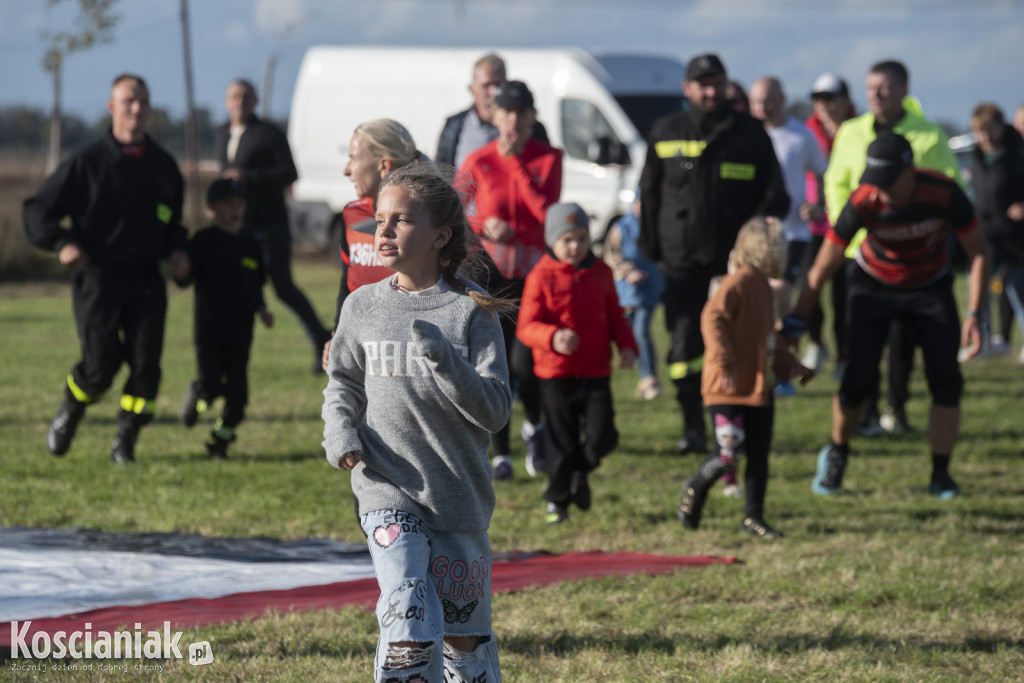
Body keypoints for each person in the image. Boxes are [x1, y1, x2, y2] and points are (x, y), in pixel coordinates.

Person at [322, 164, 513, 682]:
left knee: (463, 641)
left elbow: (495, 410)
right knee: (407, 615)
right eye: (380, 220)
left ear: (440, 236)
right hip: (386, 488)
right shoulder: (361, 306)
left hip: (457, 497)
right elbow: (342, 381)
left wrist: (448, 363)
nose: (382, 231)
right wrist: (339, 432)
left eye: (400, 221)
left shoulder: (471, 312)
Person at [786, 133, 988, 499]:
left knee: (946, 380)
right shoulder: (864, 200)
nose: (880, 192)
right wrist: (796, 323)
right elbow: (821, 269)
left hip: (930, 285)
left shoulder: (943, 192)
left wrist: (975, 312)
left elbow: (978, 253)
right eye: (874, 182)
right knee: (858, 378)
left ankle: (941, 473)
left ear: (910, 172)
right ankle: (837, 452)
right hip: (874, 285)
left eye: (888, 183)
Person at [23, 73, 190, 464]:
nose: (137, 109)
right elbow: (36, 210)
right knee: (100, 365)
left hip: (147, 280)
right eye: (129, 101)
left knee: (146, 366)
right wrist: (62, 243)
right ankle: (72, 406)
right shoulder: (86, 163)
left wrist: (180, 252)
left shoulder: (164, 167)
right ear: (111, 106)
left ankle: (125, 440)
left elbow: (173, 226)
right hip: (97, 278)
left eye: (143, 102)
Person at [639, 52, 790, 455]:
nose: (710, 91)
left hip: (734, 268)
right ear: (687, 89)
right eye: (702, 84)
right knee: (684, 348)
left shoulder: (750, 134)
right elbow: (649, 194)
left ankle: (731, 427)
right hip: (680, 263)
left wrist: (754, 239)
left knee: (735, 345)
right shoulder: (665, 130)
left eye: (716, 82)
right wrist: (651, 248)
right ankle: (693, 428)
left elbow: (776, 196)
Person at [824, 59, 963, 436]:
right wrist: (850, 227)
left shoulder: (928, 135)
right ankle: (862, 410)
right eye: (871, 88)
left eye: (885, 88)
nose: (877, 95)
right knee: (859, 341)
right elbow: (836, 183)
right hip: (859, 251)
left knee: (905, 343)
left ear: (904, 90)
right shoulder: (850, 133)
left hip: (914, 256)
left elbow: (949, 190)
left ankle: (895, 408)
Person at [679, 218, 811, 539]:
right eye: (776, 247)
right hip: (727, 386)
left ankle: (754, 517)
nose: (781, 252)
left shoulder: (764, 287)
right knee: (728, 452)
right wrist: (724, 360)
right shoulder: (736, 283)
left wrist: (790, 363)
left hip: (758, 386)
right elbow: (712, 318)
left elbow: (766, 337)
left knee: (759, 454)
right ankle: (696, 486)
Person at [460, 79, 563, 480]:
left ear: (532, 116)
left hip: (535, 274)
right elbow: (457, 211)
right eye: (506, 112)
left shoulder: (548, 158)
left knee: (525, 361)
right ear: (494, 115)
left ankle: (534, 427)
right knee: (493, 361)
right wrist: (485, 224)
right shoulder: (479, 160)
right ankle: (499, 452)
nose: (513, 120)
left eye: (521, 113)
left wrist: (517, 163)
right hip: (491, 270)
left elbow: (547, 214)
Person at [517, 203, 639, 524]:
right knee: (562, 441)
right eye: (567, 240)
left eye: (582, 238)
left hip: (596, 371)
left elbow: (616, 315)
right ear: (552, 242)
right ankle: (557, 501)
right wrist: (552, 336)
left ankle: (580, 471)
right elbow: (526, 326)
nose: (575, 246)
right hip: (555, 374)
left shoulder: (601, 272)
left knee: (603, 437)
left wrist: (627, 347)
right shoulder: (540, 276)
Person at [216, 79, 330, 374]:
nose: (239, 100)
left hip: (269, 224)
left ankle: (321, 339)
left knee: (283, 288)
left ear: (255, 101)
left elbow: (289, 173)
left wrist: (249, 177)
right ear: (226, 101)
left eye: (245, 95)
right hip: (237, 227)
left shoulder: (268, 134)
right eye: (233, 95)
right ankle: (231, 355)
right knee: (236, 289)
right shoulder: (221, 133)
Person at [319, 118, 426, 372]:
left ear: (383, 165)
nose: (347, 170)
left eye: (353, 158)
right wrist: (337, 333)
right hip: (360, 351)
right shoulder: (351, 216)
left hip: (410, 357)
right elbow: (348, 285)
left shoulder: (426, 219)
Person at [179, 178, 274, 458]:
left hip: (241, 332)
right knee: (211, 387)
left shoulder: (251, 245)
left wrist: (263, 309)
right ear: (211, 209)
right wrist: (179, 269)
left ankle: (219, 443)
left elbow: (256, 284)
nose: (236, 210)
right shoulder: (203, 241)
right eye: (229, 205)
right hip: (209, 330)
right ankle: (198, 393)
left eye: (240, 204)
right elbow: (184, 279)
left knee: (238, 397)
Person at [749, 76, 829, 395]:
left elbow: (821, 172)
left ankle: (785, 369)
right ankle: (762, 366)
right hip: (756, 234)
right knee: (757, 300)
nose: (761, 108)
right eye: (756, 102)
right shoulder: (748, 135)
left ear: (781, 98)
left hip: (794, 231)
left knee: (780, 293)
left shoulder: (801, 135)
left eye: (767, 101)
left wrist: (818, 204)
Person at [802, 73, 857, 376]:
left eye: (830, 98)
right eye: (818, 99)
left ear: (845, 100)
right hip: (815, 228)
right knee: (807, 286)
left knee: (843, 297)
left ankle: (843, 357)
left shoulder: (859, 130)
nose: (823, 105)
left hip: (848, 225)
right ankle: (815, 343)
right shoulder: (807, 131)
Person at [968, 103, 1024, 362]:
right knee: (978, 290)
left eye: (989, 130)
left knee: (1018, 290)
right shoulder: (976, 157)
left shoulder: (1017, 151)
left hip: (1015, 235)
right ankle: (983, 342)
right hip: (986, 235)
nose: (985, 137)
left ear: (1002, 127)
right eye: (980, 132)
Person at [436, 53, 549, 170]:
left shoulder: (530, 127)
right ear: (472, 89)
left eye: (499, 85)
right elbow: (440, 173)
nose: (494, 92)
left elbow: (544, 171)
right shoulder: (454, 126)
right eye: (486, 85)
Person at [603, 196, 665, 400]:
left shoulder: (657, 224)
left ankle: (650, 378)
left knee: (641, 331)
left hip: (650, 287)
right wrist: (628, 271)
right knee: (627, 333)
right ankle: (642, 379)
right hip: (627, 291)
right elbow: (611, 255)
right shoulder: (621, 227)